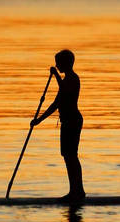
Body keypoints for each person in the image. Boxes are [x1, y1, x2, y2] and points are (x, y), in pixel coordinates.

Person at [31, 49, 85, 201]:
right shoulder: (67, 79)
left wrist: (55, 76)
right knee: (67, 156)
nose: (56, 65)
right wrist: (39, 120)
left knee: (71, 156)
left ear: (66, 63)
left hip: (73, 121)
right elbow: (57, 102)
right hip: (67, 121)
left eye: (58, 63)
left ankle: (78, 191)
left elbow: (61, 98)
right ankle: (75, 190)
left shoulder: (73, 79)